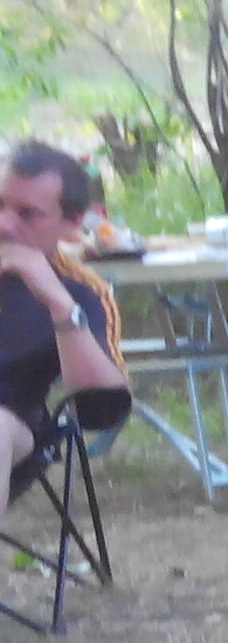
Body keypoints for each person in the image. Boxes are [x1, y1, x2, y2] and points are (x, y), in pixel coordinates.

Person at [0, 142, 130, 507]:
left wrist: (59, 304)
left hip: (12, 422)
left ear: (71, 225)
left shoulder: (79, 291)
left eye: (28, 214)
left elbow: (101, 409)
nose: (4, 224)